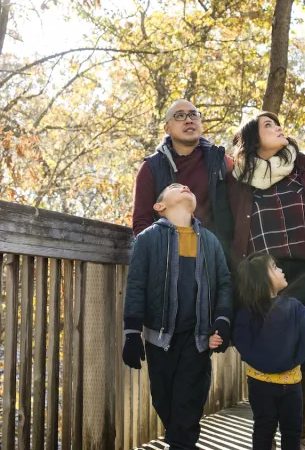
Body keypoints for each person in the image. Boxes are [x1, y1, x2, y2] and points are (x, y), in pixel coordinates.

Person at [228, 111, 305, 448]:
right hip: (264, 276)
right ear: (250, 138)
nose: (278, 128)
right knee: (266, 346)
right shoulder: (236, 178)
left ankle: (299, 434)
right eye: (268, 125)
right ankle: (265, 433)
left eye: (278, 124)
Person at [122, 182, 233, 450]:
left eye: (188, 187)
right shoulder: (148, 239)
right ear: (160, 206)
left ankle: (182, 443)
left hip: (198, 336)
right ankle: (179, 439)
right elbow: (136, 284)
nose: (185, 186)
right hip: (160, 337)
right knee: (162, 396)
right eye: (175, 186)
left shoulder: (209, 241)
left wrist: (222, 321)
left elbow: (225, 283)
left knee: (191, 394)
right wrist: (132, 333)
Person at [232, 253, 305, 450]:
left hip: (292, 385)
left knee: (292, 431)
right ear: (263, 279)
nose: (281, 270)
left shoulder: (292, 306)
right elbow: (237, 334)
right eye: (275, 268)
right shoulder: (249, 313)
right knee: (263, 430)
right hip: (261, 386)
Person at [132, 99, 234, 263]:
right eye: (179, 116)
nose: (189, 120)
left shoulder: (221, 161)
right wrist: (160, 260)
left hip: (217, 260)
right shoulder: (151, 168)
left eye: (194, 115)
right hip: (170, 261)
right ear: (167, 128)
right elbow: (141, 223)